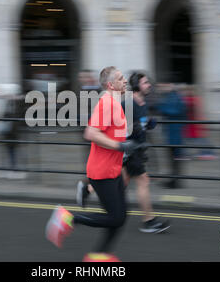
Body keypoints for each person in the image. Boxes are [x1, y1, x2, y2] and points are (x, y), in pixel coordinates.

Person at [45, 66, 143, 259]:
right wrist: (120, 146)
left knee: (120, 217)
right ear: (110, 84)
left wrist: (132, 141)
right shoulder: (107, 103)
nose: (125, 81)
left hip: (113, 170)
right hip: (102, 172)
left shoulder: (115, 102)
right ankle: (69, 219)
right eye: (121, 78)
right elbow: (90, 133)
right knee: (115, 217)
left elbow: (115, 131)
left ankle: (100, 255)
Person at [120, 72, 170, 233]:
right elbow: (125, 129)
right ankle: (148, 221)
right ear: (136, 86)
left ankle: (92, 193)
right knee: (143, 181)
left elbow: (139, 125)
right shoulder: (128, 103)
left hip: (138, 149)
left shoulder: (142, 103)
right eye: (145, 82)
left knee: (120, 184)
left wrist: (148, 124)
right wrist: (141, 126)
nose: (149, 85)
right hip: (129, 150)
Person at [157, 83, 187, 189]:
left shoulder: (174, 97)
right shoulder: (173, 97)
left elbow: (171, 110)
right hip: (173, 133)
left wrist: (160, 106)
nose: (163, 88)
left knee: (174, 158)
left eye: (165, 86)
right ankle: (174, 180)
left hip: (174, 133)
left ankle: (175, 181)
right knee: (173, 158)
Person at [183, 86, 218, 160]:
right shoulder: (192, 99)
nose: (186, 92)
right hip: (191, 125)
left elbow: (194, 111)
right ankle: (206, 153)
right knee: (193, 140)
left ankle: (208, 153)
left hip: (194, 124)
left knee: (200, 140)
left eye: (188, 91)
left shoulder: (192, 100)